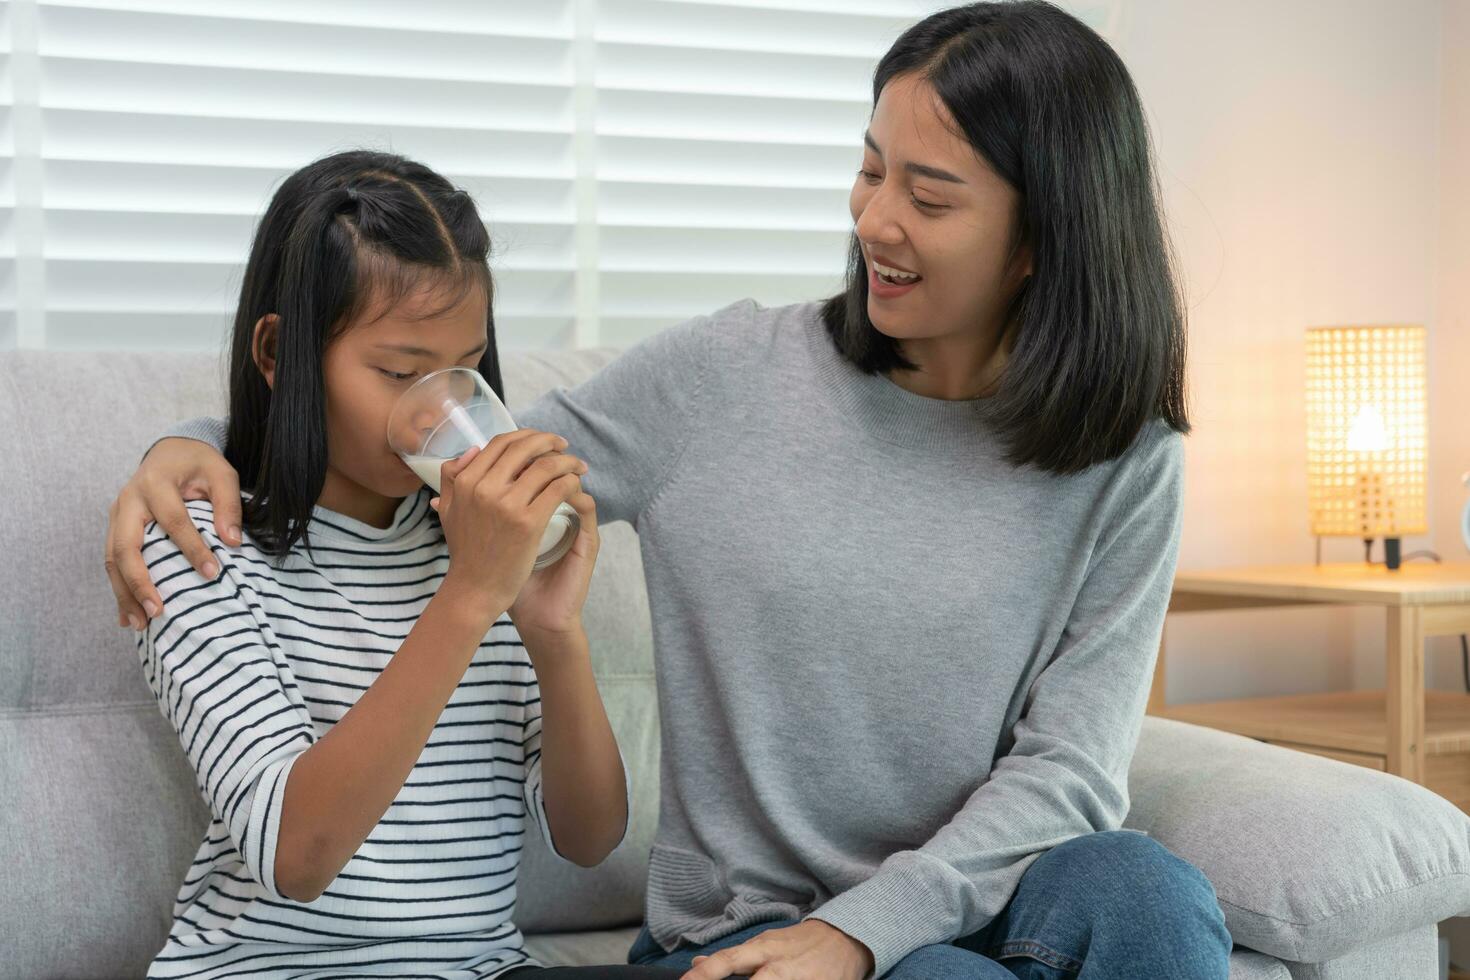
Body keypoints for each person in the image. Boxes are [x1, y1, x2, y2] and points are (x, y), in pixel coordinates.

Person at [107, 4, 1232, 978]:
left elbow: (1072, 772)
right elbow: (438, 450)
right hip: (750, 933)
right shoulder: (728, 379)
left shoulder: (1128, 457)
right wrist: (198, 446)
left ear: (1044, 237)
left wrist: (861, 933)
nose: (873, 218)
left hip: (970, 908)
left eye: (928, 196)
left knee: (1143, 889)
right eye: (870, 166)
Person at [130, 148, 680, 980]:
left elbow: (591, 837)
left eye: (463, 371)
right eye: (397, 373)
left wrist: (552, 631)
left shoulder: (474, 543)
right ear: (277, 355)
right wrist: (467, 601)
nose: (441, 411)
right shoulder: (201, 546)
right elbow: (298, 855)